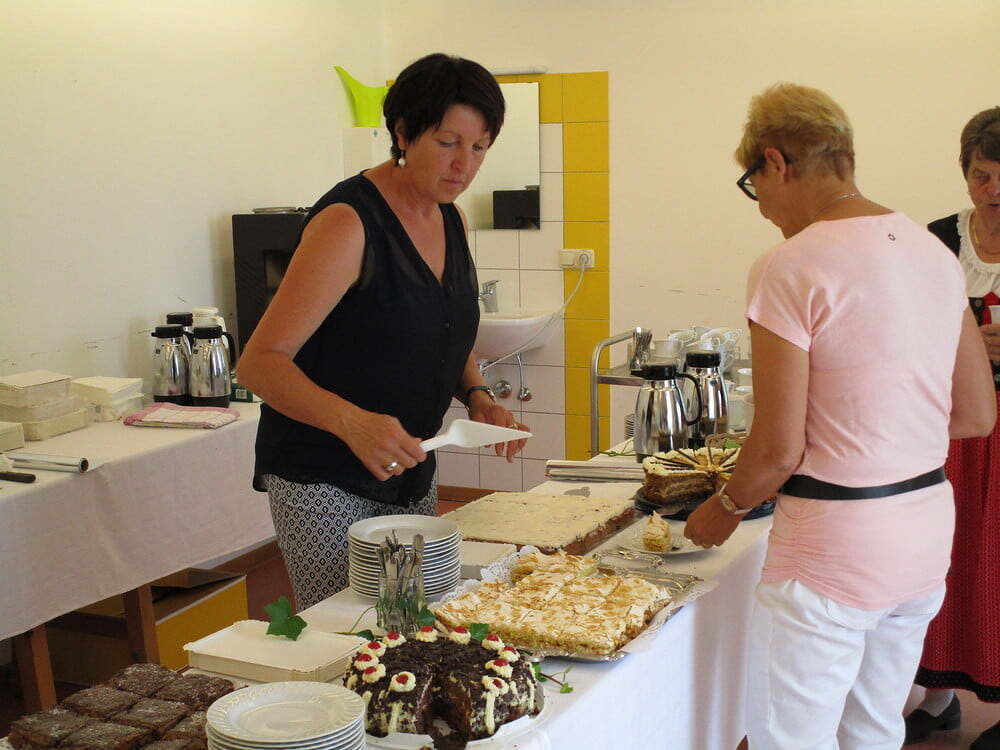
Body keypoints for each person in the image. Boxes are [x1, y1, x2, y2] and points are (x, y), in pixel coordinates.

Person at [683, 83, 996, 749]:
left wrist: (724, 507)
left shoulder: (789, 264)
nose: (762, 207)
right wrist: (882, 426)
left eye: (754, 185)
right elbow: (976, 413)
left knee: (791, 737)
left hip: (832, 544)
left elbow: (777, 448)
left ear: (776, 163)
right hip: (922, 527)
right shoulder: (933, 251)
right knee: (874, 727)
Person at [236, 53, 527, 609]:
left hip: (410, 463)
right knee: (345, 630)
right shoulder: (348, 223)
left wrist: (477, 395)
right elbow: (260, 364)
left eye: (479, 147)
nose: (463, 165)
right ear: (403, 132)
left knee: (413, 617)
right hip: (322, 474)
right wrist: (353, 423)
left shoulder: (451, 217)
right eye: (448, 142)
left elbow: (444, 326)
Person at [904, 106, 1000, 749]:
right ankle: (938, 698)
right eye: (981, 175)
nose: (994, 190)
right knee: (939, 557)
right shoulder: (937, 240)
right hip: (950, 426)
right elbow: (903, 327)